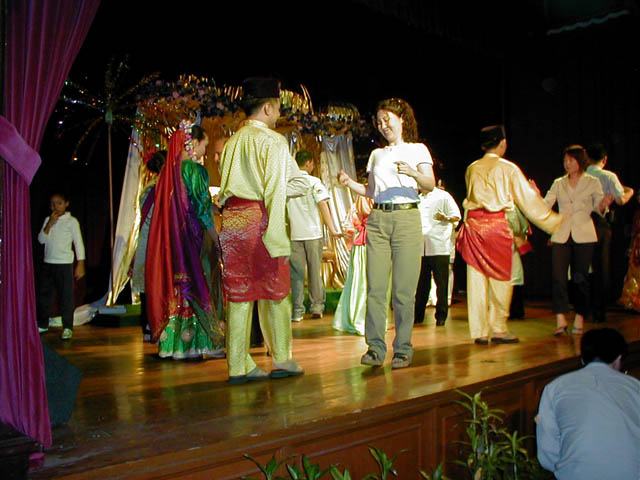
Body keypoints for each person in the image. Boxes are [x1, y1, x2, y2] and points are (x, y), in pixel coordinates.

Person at [218, 77, 308, 384]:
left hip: (232, 220)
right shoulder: (273, 141)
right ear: (268, 107)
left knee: (239, 293)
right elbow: (274, 190)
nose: (279, 113)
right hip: (259, 218)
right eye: (278, 107)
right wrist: (277, 236)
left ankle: (238, 364)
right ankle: (282, 357)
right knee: (276, 290)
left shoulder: (232, 142)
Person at [338, 98, 435, 369]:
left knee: (404, 291)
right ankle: (375, 348)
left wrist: (414, 173)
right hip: (378, 218)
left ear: (402, 118)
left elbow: (429, 184)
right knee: (376, 289)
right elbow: (371, 192)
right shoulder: (376, 155)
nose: (383, 125)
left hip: (406, 217)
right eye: (379, 122)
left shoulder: (417, 150)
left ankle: (403, 349)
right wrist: (349, 183)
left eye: (387, 119)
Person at [457, 125, 561, 345]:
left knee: (476, 279)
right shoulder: (508, 168)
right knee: (502, 278)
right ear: (502, 143)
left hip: (474, 226)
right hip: (496, 226)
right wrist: (554, 222)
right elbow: (527, 201)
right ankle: (498, 328)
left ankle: (480, 331)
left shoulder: (472, 168)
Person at [146, 121, 225, 360]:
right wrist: (216, 239)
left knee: (178, 287)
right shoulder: (195, 171)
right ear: (194, 143)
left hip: (173, 241)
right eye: (204, 146)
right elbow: (201, 210)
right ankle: (205, 344)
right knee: (203, 283)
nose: (204, 152)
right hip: (195, 240)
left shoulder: (167, 174)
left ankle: (175, 346)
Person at [536, 328, 640, 480]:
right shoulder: (635, 387)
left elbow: (547, 453)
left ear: (582, 359)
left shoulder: (555, 387)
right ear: (619, 358)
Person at [543, 145, 611, 337]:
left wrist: (604, 204)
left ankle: (580, 317)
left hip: (584, 234)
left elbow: (598, 208)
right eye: (565, 160)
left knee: (580, 278)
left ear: (580, 161)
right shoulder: (559, 183)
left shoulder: (592, 182)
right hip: (561, 233)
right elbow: (545, 205)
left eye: (571, 160)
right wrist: (535, 194)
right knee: (558, 277)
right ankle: (560, 319)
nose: (567, 164)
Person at [287, 149, 341, 322]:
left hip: (294, 234)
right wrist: (332, 229)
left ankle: (297, 311)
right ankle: (316, 307)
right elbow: (323, 204)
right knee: (314, 272)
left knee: (296, 274)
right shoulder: (313, 181)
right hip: (313, 233)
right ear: (309, 163)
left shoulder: (287, 183)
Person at [586, 143, 634, 323]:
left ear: (587, 158)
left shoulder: (580, 175)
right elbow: (621, 199)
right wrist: (629, 192)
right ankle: (599, 310)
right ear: (604, 159)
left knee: (582, 264)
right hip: (600, 222)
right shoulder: (608, 176)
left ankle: (582, 308)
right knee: (600, 266)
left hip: (580, 220)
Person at [37, 192, 86, 339]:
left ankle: (68, 327)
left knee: (66, 297)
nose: (55, 206)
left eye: (59, 203)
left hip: (64, 264)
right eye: (52, 204)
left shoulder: (72, 221)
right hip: (48, 263)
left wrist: (80, 263)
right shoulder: (48, 220)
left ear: (66, 204)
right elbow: (41, 240)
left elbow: (78, 242)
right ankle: (43, 324)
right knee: (44, 296)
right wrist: (49, 224)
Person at [131, 150, 166, 342]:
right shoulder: (158, 187)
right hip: (155, 239)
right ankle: (153, 324)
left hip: (149, 238)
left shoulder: (151, 186)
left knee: (148, 283)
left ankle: (148, 325)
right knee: (153, 282)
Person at [414, 183, 460, 326]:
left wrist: (445, 218)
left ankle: (441, 316)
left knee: (441, 283)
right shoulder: (417, 199)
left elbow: (456, 216)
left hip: (439, 246)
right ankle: (418, 315)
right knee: (421, 283)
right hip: (421, 247)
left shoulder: (443, 196)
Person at [333, 194, 376, 336]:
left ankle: (370, 319)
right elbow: (350, 224)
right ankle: (360, 319)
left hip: (374, 243)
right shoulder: (360, 202)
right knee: (360, 280)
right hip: (363, 245)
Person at [619, 191, 640, 311]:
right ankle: (632, 301)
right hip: (637, 245)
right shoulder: (637, 213)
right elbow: (633, 231)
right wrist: (631, 247)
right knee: (633, 272)